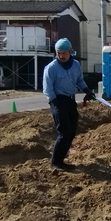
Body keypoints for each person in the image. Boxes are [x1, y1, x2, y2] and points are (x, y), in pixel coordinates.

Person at [43, 38, 96, 171]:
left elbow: (79, 80)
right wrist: (54, 104)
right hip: (58, 101)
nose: (61, 56)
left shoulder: (76, 65)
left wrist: (87, 90)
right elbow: (47, 88)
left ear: (70, 52)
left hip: (70, 101)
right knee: (64, 132)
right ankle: (55, 162)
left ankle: (61, 160)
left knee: (71, 132)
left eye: (64, 53)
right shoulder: (51, 68)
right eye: (58, 53)